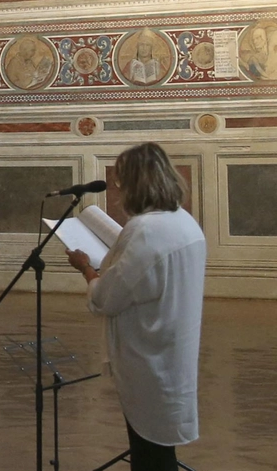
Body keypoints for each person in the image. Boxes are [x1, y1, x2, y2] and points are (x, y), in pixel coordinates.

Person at [66, 143, 205, 471]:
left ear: (136, 183)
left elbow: (105, 300)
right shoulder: (183, 221)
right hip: (172, 353)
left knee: (150, 458)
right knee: (158, 453)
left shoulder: (145, 230)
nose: (118, 191)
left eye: (120, 182)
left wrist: (86, 268)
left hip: (149, 362)